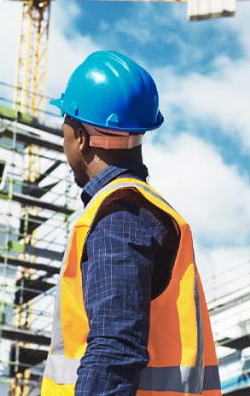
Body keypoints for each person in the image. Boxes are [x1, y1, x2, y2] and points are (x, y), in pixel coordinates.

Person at [40, 51, 220, 396]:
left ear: (80, 136)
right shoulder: (144, 210)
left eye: (63, 125)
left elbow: (114, 351)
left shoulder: (119, 215)